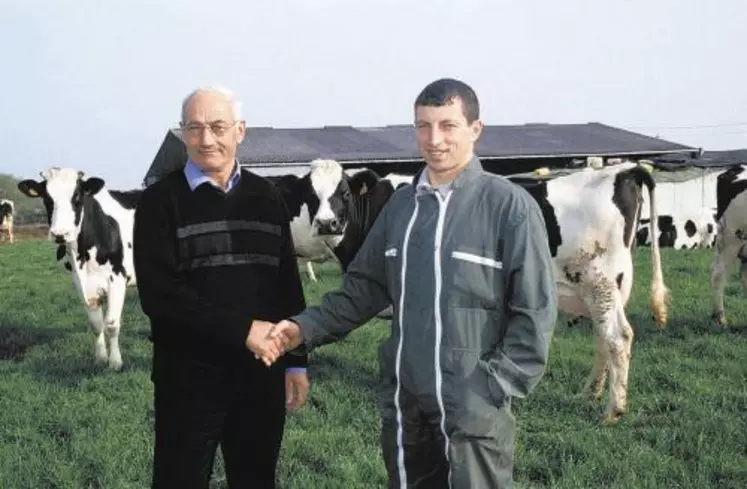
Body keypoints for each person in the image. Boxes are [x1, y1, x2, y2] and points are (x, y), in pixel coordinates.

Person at [264, 78, 558, 488]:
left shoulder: (508, 207)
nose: (433, 139)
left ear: (475, 130)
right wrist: (301, 329)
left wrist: (494, 386)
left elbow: (536, 311)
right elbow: (362, 289)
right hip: (406, 407)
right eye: (423, 125)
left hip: (474, 407)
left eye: (447, 125)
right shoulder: (401, 208)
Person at [133, 85, 310, 489]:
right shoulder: (160, 202)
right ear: (182, 133)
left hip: (261, 377)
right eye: (194, 128)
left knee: (256, 478)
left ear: (240, 130)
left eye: (217, 126)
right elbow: (161, 297)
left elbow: (286, 285)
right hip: (188, 379)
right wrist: (244, 330)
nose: (206, 139)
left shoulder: (268, 198)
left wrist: (297, 360)